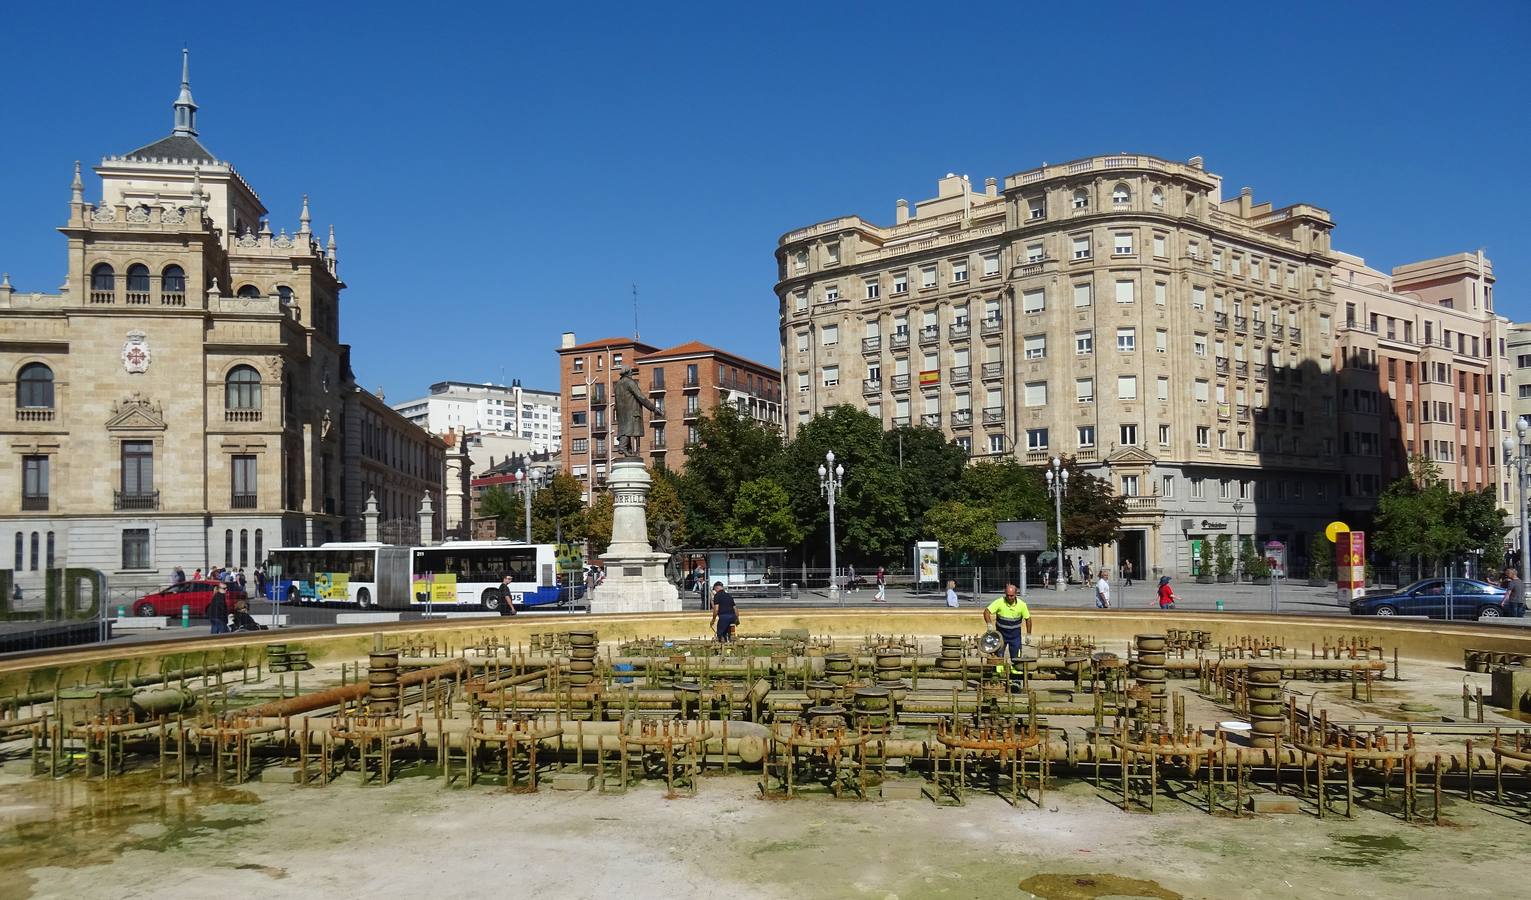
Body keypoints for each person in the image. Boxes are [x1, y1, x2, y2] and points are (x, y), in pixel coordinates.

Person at [983, 583, 1032, 673]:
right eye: (1007, 595)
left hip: (1015, 636)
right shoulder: (999, 602)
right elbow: (986, 611)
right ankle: (998, 677)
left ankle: (1016, 679)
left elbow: (1028, 619)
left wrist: (1028, 634)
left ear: (1016, 594)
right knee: (998, 656)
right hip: (1001, 635)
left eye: (1012, 596)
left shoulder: (1022, 605)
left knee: (1016, 657)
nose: (1009, 598)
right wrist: (989, 624)